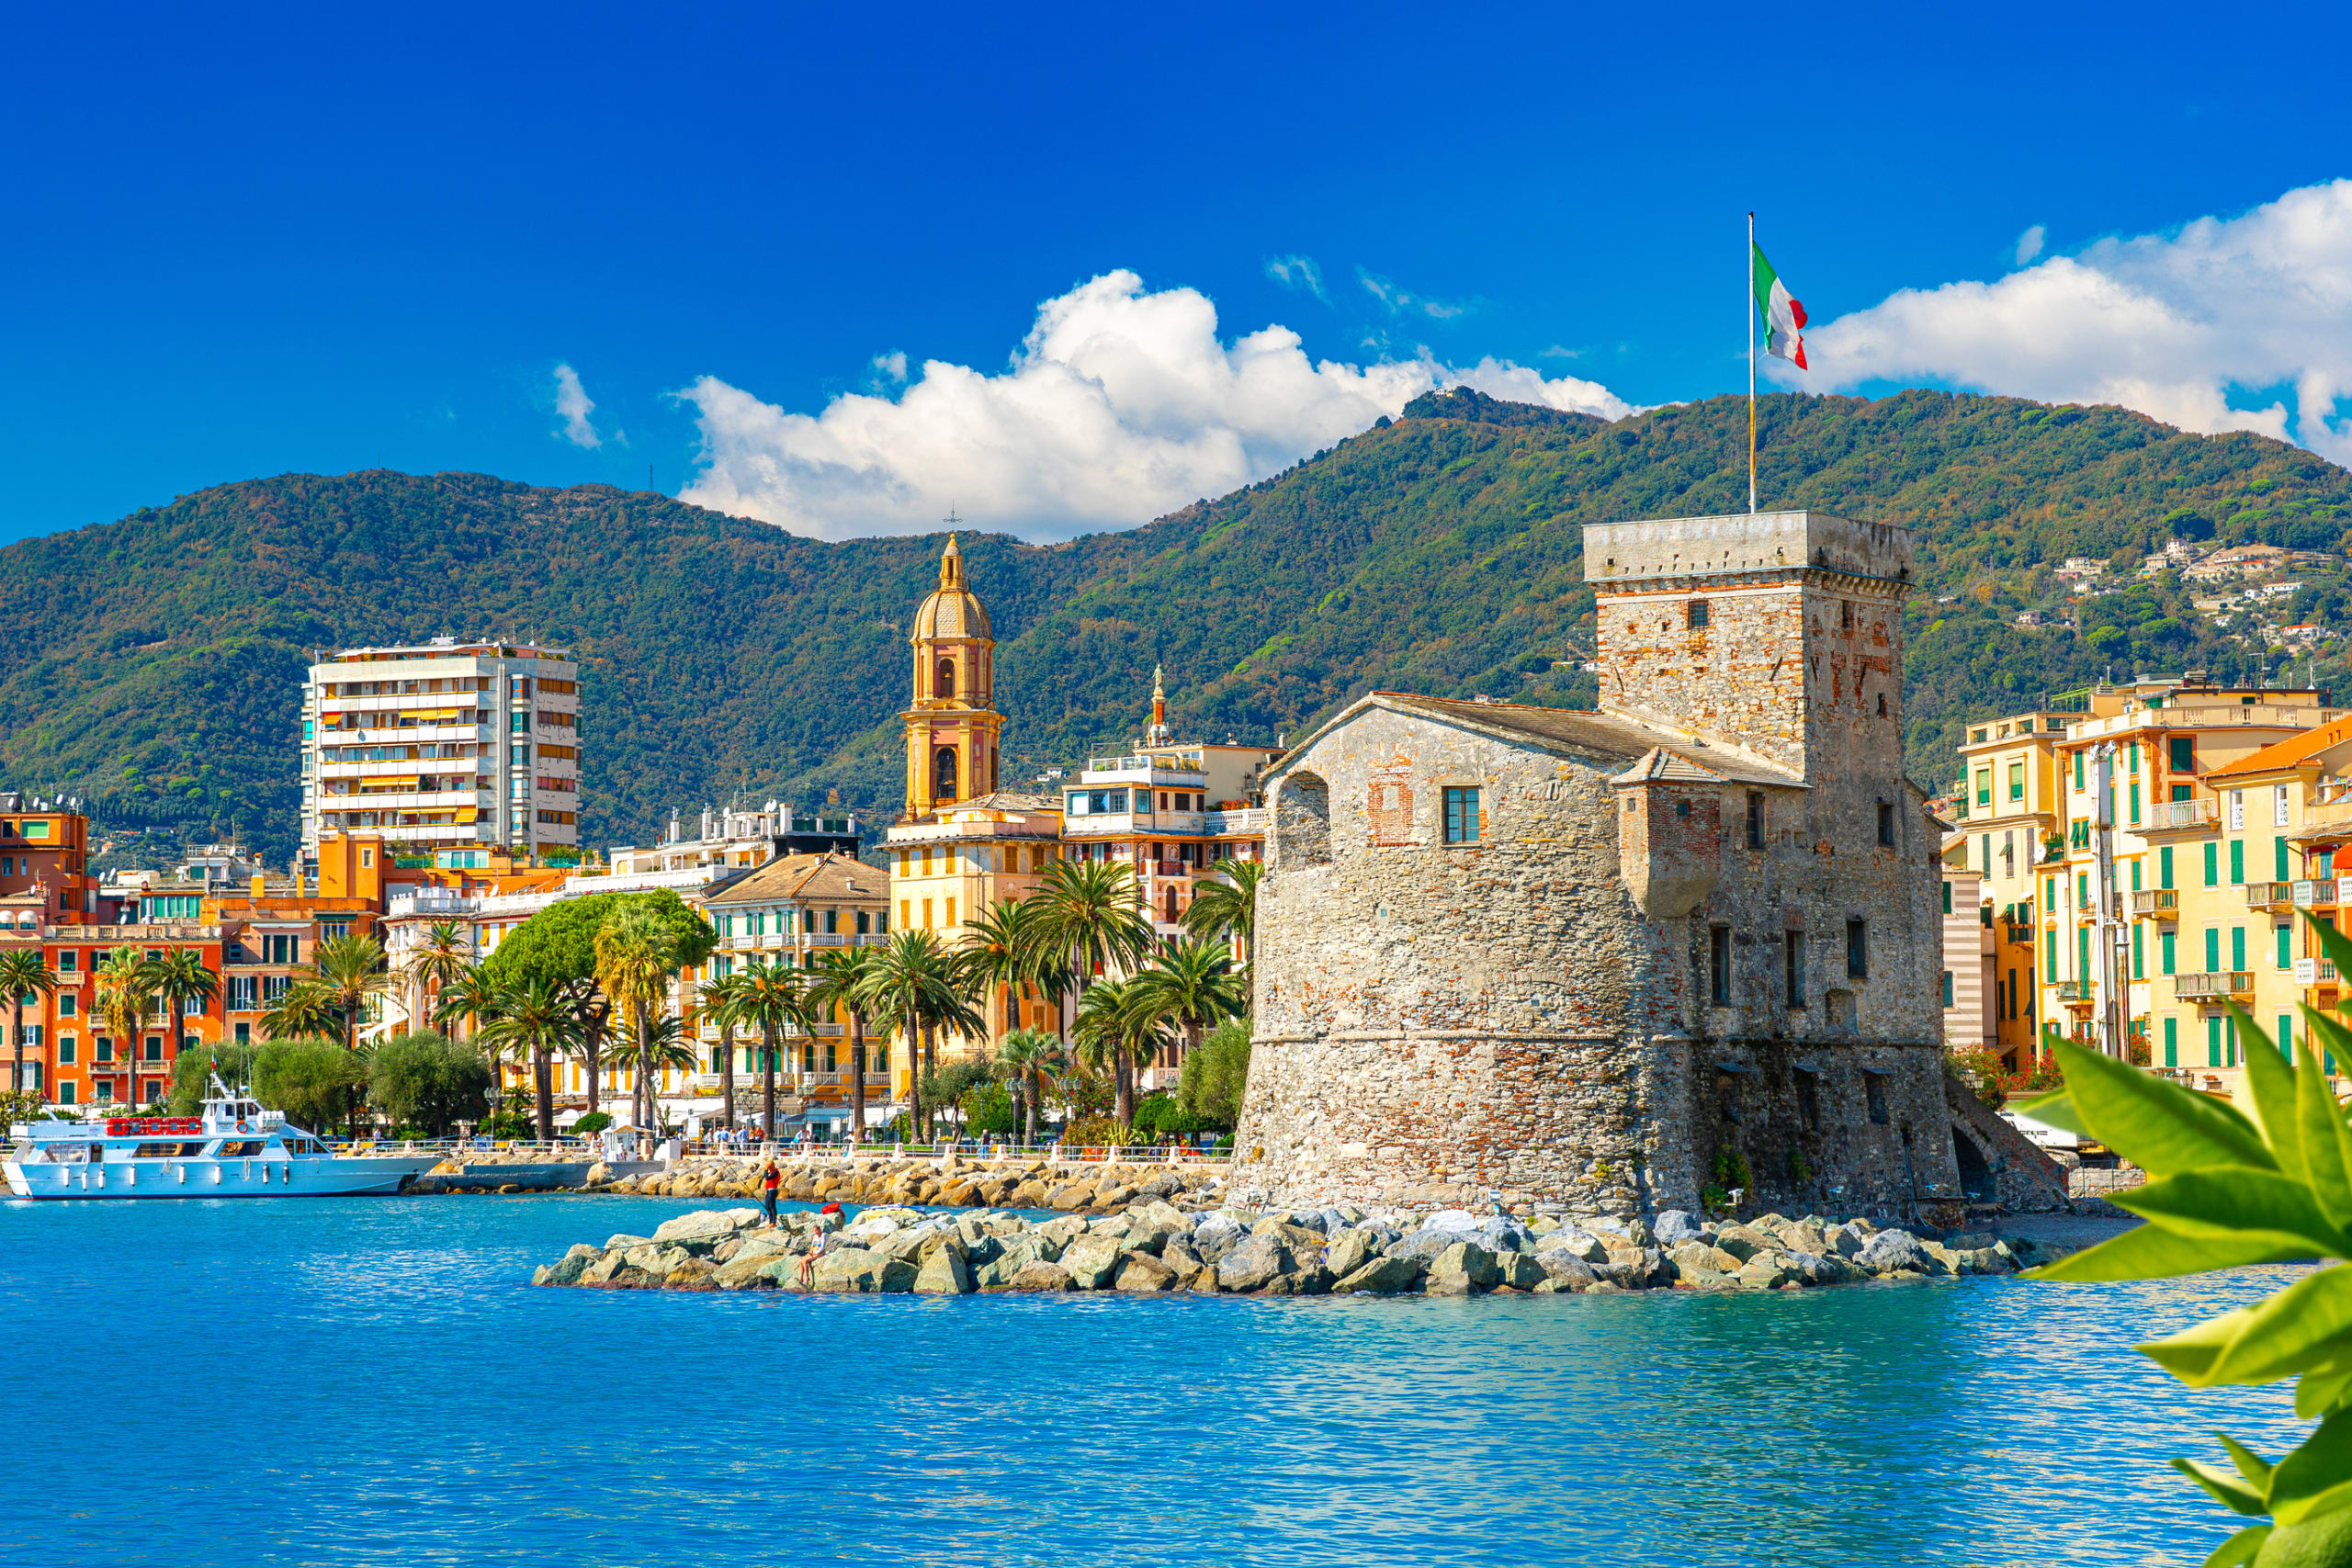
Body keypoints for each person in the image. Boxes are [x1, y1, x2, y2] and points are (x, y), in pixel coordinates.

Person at [797, 1220, 828, 1288]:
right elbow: (812, 1245)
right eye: (814, 1231)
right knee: (801, 1261)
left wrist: (816, 1253)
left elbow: (823, 1247)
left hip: (819, 1253)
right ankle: (801, 1277)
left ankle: (807, 1277)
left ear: (819, 1230)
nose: (815, 1232)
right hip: (813, 1253)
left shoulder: (823, 1235)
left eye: (816, 1231)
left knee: (805, 1261)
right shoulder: (815, 1236)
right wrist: (810, 1251)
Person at [759, 1158, 781, 1227]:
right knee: (767, 1206)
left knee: (772, 1206)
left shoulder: (775, 1172)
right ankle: (770, 1221)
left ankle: (774, 1222)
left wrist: (766, 1169)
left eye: (769, 1164)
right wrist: (767, 1170)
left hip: (772, 1190)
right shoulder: (771, 1172)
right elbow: (766, 1176)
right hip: (768, 1191)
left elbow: (767, 1178)